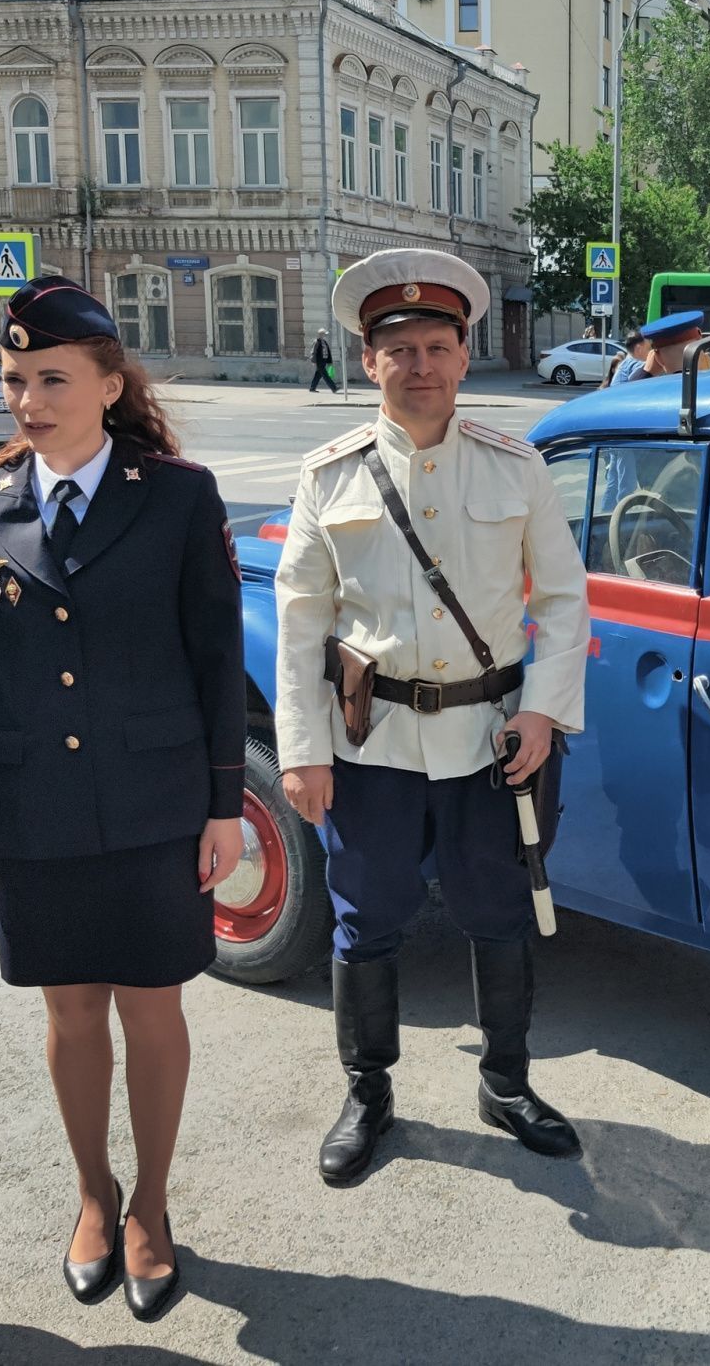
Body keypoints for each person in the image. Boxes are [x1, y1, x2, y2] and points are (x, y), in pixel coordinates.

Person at [0, 276, 245, 1324]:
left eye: (52, 379)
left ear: (109, 385)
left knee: (153, 1012)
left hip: (156, 802)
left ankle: (151, 1204)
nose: (28, 399)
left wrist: (220, 804)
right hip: (34, 810)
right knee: (69, 1015)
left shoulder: (179, 496)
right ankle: (92, 1194)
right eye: (15, 378)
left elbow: (215, 659)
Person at [274, 249, 590, 1188]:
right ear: (367, 361)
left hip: (491, 741)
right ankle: (367, 1094)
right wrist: (302, 753)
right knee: (364, 919)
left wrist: (543, 714)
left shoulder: (515, 464)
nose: (420, 365)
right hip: (369, 742)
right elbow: (301, 625)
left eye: (437, 347)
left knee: (499, 913)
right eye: (399, 348)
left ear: (464, 355)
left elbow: (566, 602)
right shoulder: (327, 476)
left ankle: (506, 1081)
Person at [610, 311, 701, 385]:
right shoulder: (709, 386)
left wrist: (647, 372)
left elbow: (625, 394)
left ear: (658, 358)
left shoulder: (656, 390)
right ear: (700, 350)